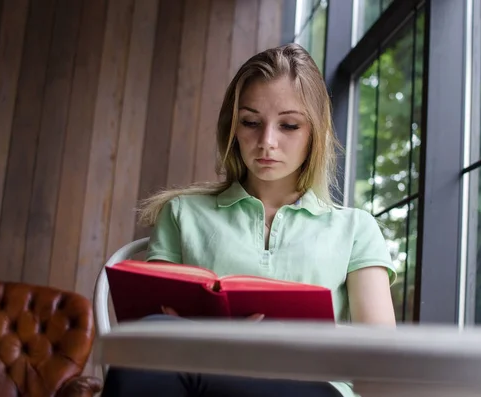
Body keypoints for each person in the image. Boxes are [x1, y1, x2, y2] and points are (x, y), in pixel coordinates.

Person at [101, 43, 396, 397]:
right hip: (207, 378)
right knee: (151, 343)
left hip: (311, 387)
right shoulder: (182, 213)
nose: (266, 142)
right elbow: (153, 330)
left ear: (314, 135)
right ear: (233, 127)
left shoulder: (356, 229)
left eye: (288, 125)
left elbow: (383, 363)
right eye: (251, 122)